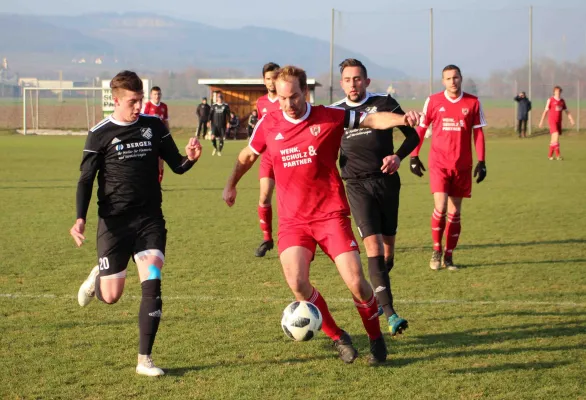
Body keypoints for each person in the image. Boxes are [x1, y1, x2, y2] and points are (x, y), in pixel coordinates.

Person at [223, 66, 420, 364]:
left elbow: (371, 118)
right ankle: (338, 336)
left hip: (330, 215)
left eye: (295, 96)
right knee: (297, 283)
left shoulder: (328, 116)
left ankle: (376, 338)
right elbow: (247, 156)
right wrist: (231, 185)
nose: (288, 104)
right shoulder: (268, 123)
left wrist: (401, 119)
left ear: (306, 92)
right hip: (293, 221)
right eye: (282, 98)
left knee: (356, 282)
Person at [69, 70, 202, 376]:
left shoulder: (154, 126)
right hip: (114, 223)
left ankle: (145, 360)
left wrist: (191, 158)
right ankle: (98, 279)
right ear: (115, 101)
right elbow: (86, 181)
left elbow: (177, 165)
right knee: (111, 296)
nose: (138, 106)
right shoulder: (99, 133)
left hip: (149, 219)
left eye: (140, 99)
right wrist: (80, 219)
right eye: (132, 101)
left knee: (152, 278)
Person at [331, 58, 420, 336]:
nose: (352, 84)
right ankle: (391, 314)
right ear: (341, 83)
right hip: (356, 186)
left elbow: (412, 136)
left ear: (366, 81)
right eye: (347, 79)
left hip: (387, 183)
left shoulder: (383, 102)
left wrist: (398, 156)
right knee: (372, 247)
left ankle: (381, 292)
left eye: (357, 79)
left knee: (387, 251)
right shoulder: (334, 112)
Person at [410, 64, 487, 271]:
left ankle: (449, 256)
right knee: (441, 207)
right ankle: (436, 251)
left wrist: (482, 161)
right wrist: (414, 155)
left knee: (455, 213)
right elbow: (421, 128)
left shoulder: (473, 102)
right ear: (443, 81)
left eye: (456, 77)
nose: (452, 81)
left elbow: (478, 134)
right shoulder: (434, 101)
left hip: (462, 165)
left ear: (461, 78)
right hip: (439, 164)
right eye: (448, 78)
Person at [254, 62, 281, 257]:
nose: (272, 82)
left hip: (288, 155)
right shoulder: (261, 102)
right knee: (264, 196)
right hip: (268, 157)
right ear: (264, 80)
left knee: (291, 200)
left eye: (275, 78)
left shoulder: (287, 99)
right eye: (268, 78)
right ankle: (267, 238)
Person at [539, 86, 575, 160]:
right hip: (552, 121)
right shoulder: (550, 100)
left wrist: (571, 119)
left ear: (560, 92)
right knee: (556, 135)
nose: (558, 93)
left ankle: (550, 155)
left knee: (554, 140)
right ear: (554, 92)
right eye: (556, 91)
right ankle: (558, 155)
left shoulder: (562, 101)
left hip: (559, 121)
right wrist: (541, 121)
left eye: (559, 91)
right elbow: (545, 111)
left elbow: (566, 111)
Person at [142, 86, 169, 183]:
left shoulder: (164, 106)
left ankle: (158, 183)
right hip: (149, 138)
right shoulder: (147, 106)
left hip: (160, 137)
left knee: (161, 161)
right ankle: (149, 182)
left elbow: (166, 122)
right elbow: (143, 122)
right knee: (150, 161)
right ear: (151, 95)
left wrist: (168, 135)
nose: (157, 96)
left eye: (159, 94)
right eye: (155, 94)